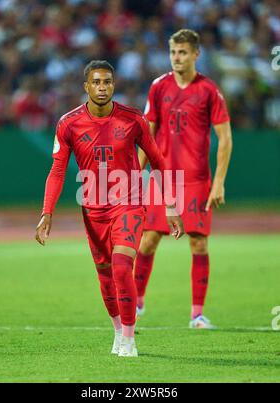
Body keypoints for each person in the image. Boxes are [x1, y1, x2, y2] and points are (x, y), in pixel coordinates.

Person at [35, 60, 184, 357]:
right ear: (86, 86)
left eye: (107, 82)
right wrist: (46, 212)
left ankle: (130, 338)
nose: (102, 87)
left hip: (128, 204)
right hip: (93, 210)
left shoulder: (133, 119)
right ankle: (118, 330)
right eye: (96, 82)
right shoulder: (68, 123)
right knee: (104, 274)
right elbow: (57, 170)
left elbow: (158, 161)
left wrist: (170, 204)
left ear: (113, 85)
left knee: (120, 266)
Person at [134, 29, 232, 329]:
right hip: (164, 180)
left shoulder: (208, 90)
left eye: (183, 52)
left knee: (199, 245)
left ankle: (197, 314)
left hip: (196, 181)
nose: (177, 57)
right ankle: (135, 303)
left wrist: (218, 182)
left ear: (196, 54)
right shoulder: (158, 87)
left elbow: (225, 138)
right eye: (173, 52)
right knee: (148, 241)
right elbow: (146, 133)